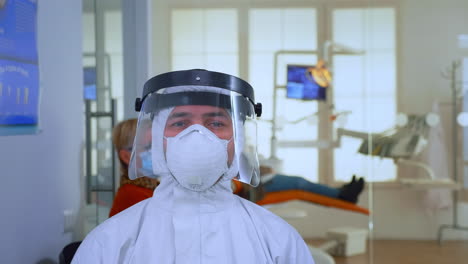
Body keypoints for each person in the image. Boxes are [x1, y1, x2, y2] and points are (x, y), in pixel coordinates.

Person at [72, 69, 315, 263]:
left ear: (237, 141)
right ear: (157, 139)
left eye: (216, 123)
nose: (197, 136)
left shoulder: (279, 242)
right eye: (180, 123)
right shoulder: (110, 242)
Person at [109, 118, 159, 217]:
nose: (159, 152)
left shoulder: (151, 188)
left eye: (159, 145)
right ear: (127, 157)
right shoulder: (133, 195)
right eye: (149, 147)